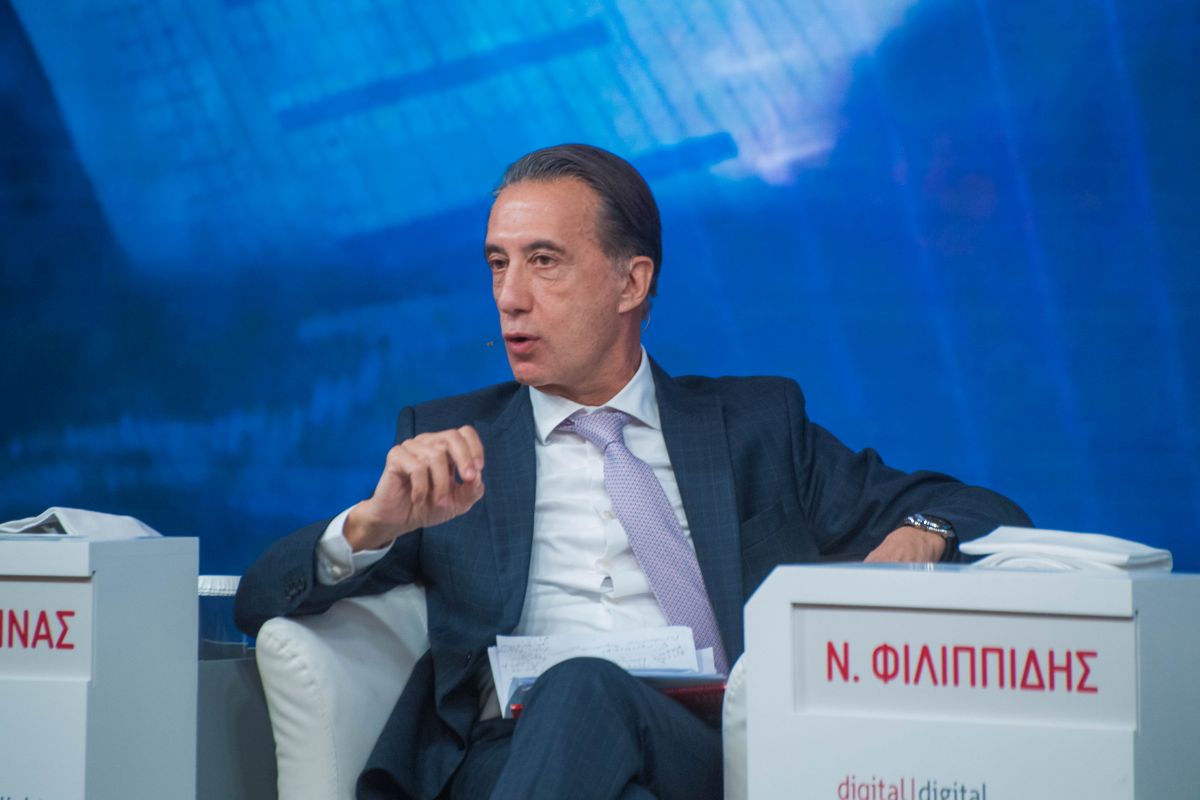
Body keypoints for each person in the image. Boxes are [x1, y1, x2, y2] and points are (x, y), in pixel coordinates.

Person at [235, 144, 1031, 800]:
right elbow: (258, 601)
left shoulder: (754, 426)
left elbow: (979, 508)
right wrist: (371, 525)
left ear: (632, 281)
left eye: (544, 262)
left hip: (706, 753)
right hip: (507, 760)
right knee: (587, 714)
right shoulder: (452, 446)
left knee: (586, 686)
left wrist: (922, 533)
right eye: (497, 264)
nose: (510, 297)